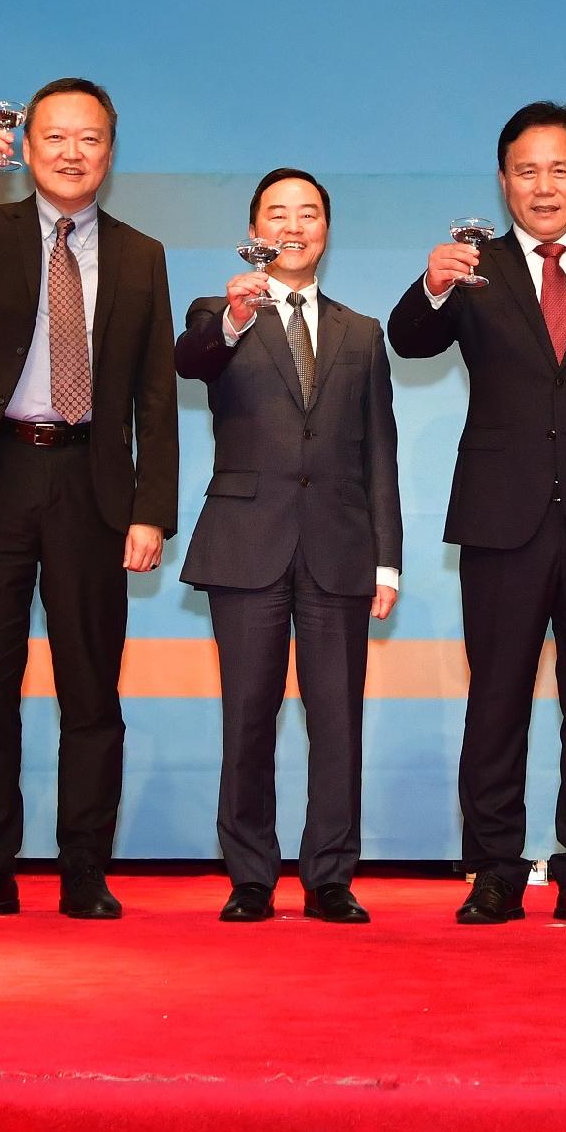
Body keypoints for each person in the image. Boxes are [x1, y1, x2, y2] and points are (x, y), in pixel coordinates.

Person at [389, 101, 566, 926]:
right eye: (526, 169)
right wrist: (432, 283)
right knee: (498, 698)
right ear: (504, 179)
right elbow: (408, 341)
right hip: (500, 519)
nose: (543, 186)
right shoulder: (472, 266)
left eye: (559, 169)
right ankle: (495, 868)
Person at [0, 78, 178, 920]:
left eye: (90, 138)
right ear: (27, 148)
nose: (72, 152)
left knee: (90, 688)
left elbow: (156, 396)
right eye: (55, 137)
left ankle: (84, 867)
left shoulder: (141, 254)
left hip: (90, 483)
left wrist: (151, 508)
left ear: (110, 150)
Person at [175, 169, 402, 924]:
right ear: (254, 228)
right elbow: (193, 357)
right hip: (247, 544)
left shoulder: (361, 333)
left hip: (339, 547)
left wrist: (387, 558)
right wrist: (236, 316)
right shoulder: (220, 312)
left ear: (327, 230)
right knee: (249, 713)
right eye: (279, 213)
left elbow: (379, 453)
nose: (294, 225)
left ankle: (331, 874)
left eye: (309, 213)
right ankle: (249, 874)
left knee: (337, 717)